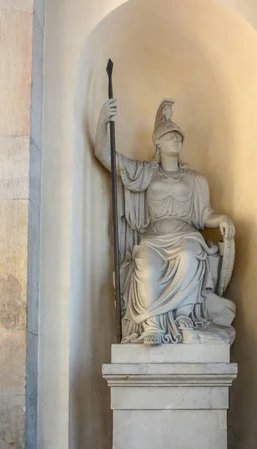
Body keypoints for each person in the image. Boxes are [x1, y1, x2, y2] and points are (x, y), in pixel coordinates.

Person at [95, 97, 235, 344]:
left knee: (190, 255)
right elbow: (105, 156)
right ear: (157, 142)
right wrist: (103, 122)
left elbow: (204, 215)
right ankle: (152, 325)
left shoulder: (196, 179)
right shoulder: (145, 173)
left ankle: (183, 318)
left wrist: (222, 218)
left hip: (187, 236)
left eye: (179, 137)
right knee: (146, 266)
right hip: (154, 240)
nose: (176, 140)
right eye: (170, 136)